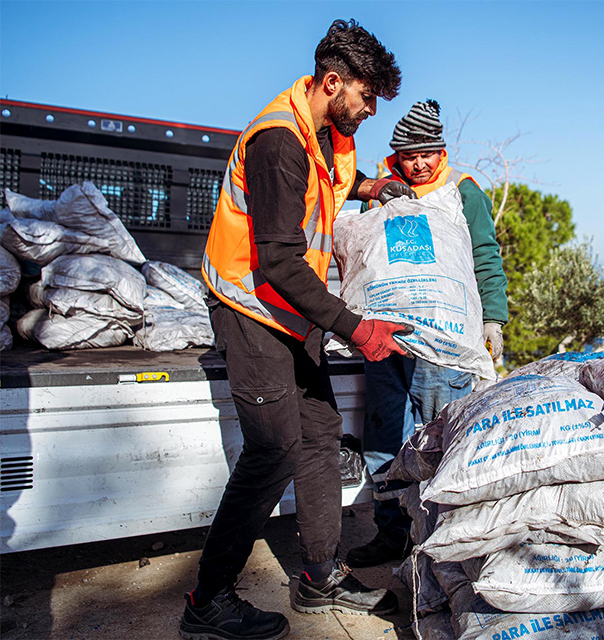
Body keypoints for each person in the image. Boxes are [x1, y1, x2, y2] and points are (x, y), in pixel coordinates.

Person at [182, 19, 419, 640]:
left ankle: (318, 576)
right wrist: (357, 328)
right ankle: (206, 599)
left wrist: (377, 188)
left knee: (319, 435)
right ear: (333, 82)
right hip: (250, 307)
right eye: (367, 98)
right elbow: (279, 259)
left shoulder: (328, 138)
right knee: (273, 448)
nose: (369, 112)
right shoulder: (278, 143)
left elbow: (332, 191)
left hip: (292, 312)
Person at [346, 99, 509, 568]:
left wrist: (491, 318)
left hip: (444, 345)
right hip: (385, 338)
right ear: (396, 156)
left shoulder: (463, 191)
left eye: (427, 154)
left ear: (442, 152)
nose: (418, 164)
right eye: (408, 156)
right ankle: (392, 533)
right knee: (384, 439)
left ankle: (444, 540)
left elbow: (485, 255)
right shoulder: (380, 189)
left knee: (442, 439)